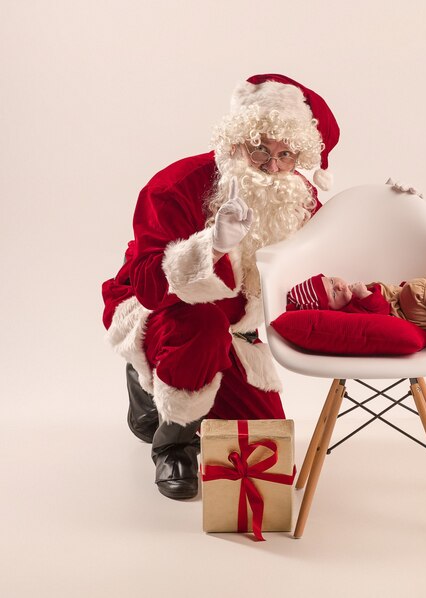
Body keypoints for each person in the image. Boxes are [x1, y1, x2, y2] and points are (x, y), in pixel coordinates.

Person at [101, 74, 340, 500]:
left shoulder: (297, 197)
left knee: (266, 458)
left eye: (285, 155)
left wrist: (390, 207)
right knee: (203, 325)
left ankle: (150, 385)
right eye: (260, 150)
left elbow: (321, 262)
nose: (272, 166)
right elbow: (150, 288)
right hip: (163, 315)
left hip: (237, 333)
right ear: (236, 140)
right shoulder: (176, 184)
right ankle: (174, 441)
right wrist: (210, 246)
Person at [286, 274, 426, 334]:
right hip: (416, 318)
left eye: (332, 281)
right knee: (414, 288)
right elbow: (382, 311)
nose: (339, 286)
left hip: (421, 309)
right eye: (333, 293)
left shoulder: (352, 298)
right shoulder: (350, 312)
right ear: (331, 310)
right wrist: (365, 295)